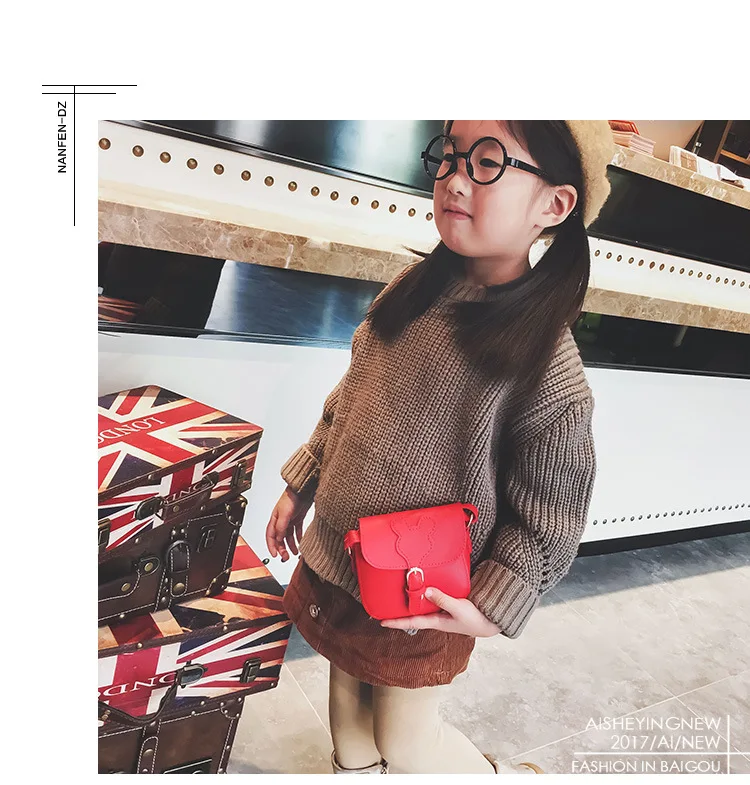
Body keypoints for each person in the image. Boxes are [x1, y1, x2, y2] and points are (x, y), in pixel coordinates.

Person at [266, 120, 615, 775]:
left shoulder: (547, 369)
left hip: (423, 598)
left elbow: (549, 515)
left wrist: (496, 602)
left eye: (487, 162)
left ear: (554, 204)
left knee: (406, 741)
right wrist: (301, 483)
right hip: (338, 561)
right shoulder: (408, 291)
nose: (454, 179)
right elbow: (349, 401)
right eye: (450, 156)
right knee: (350, 732)